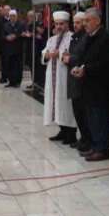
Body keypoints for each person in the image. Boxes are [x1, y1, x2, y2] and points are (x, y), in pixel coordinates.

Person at [71, 8, 109, 162]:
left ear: (98, 21)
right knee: (91, 118)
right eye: (84, 21)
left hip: (100, 87)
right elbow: (85, 57)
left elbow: (104, 63)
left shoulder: (105, 39)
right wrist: (79, 67)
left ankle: (102, 149)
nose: (85, 24)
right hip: (88, 85)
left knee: (100, 118)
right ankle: (95, 146)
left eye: (88, 20)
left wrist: (86, 69)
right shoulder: (89, 37)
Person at [42, 11, 78, 144]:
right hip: (52, 78)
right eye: (56, 24)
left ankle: (71, 134)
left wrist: (60, 55)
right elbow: (44, 53)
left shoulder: (73, 38)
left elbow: (72, 55)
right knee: (55, 103)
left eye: (61, 24)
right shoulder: (52, 39)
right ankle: (62, 130)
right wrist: (46, 54)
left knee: (66, 104)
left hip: (65, 78)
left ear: (67, 24)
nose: (58, 26)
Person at [64, 12, 93, 152]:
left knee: (83, 112)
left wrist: (70, 59)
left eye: (78, 22)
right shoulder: (75, 37)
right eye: (74, 22)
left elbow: (83, 57)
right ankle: (83, 137)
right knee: (77, 111)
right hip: (73, 79)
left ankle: (87, 139)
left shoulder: (86, 37)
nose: (75, 25)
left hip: (82, 81)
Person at [3, 9, 27, 88]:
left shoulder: (22, 24)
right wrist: (6, 37)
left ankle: (17, 82)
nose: (12, 17)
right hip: (9, 48)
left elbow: (24, 34)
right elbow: (2, 35)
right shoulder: (6, 25)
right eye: (11, 16)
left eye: (14, 16)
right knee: (9, 66)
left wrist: (16, 36)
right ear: (9, 17)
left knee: (18, 66)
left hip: (18, 49)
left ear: (16, 16)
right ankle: (11, 82)